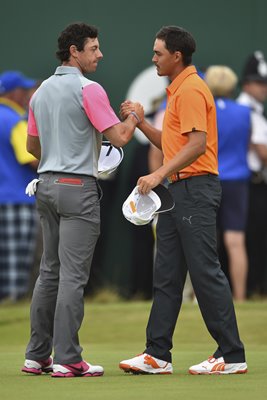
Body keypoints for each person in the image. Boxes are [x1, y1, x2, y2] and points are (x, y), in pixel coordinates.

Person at [119, 25, 247, 375]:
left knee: (205, 272)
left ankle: (231, 355)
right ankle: (157, 355)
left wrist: (158, 174)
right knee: (168, 275)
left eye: (158, 53)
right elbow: (176, 144)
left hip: (195, 189)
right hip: (180, 191)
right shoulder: (179, 89)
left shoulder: (190, 89)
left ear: (177, 56)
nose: (153, 58)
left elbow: (196, 145)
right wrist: (142, 124)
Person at [21, 22, 144, 378]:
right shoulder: (89, 89)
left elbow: (32, 147)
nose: (100, 54)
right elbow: (119, 138)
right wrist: (134, 115)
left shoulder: (40, 91)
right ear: (74, 51)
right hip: (78, 188)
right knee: (72, 278)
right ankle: (68, 358)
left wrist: (57, 156)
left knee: (49, 273)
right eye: (93, 48)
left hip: (45, 185)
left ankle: (37, 356)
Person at [205, 65, 251, 302]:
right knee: (235, 241)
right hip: (237, 182)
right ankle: (240, 297)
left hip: (210, 179)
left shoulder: (206, 110)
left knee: (206, 241)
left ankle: (205, 297)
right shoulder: (245, 112)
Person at [0, 71, 39, 302]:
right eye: (24, 91)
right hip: (17, 199)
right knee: (16, 262)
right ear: (13, 93)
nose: (26, 96)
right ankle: (11, 303)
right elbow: (31, 158)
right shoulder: (14, 120)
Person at [237, 51, 267, 298]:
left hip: (252, 182)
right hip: (250, 183)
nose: (263, 88)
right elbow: (263, 152)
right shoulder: (246, 110)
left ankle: (254, 288)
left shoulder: (254, 110)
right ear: (246, 84)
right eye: (259, 82)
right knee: (251, 239)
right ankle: (251, 289)